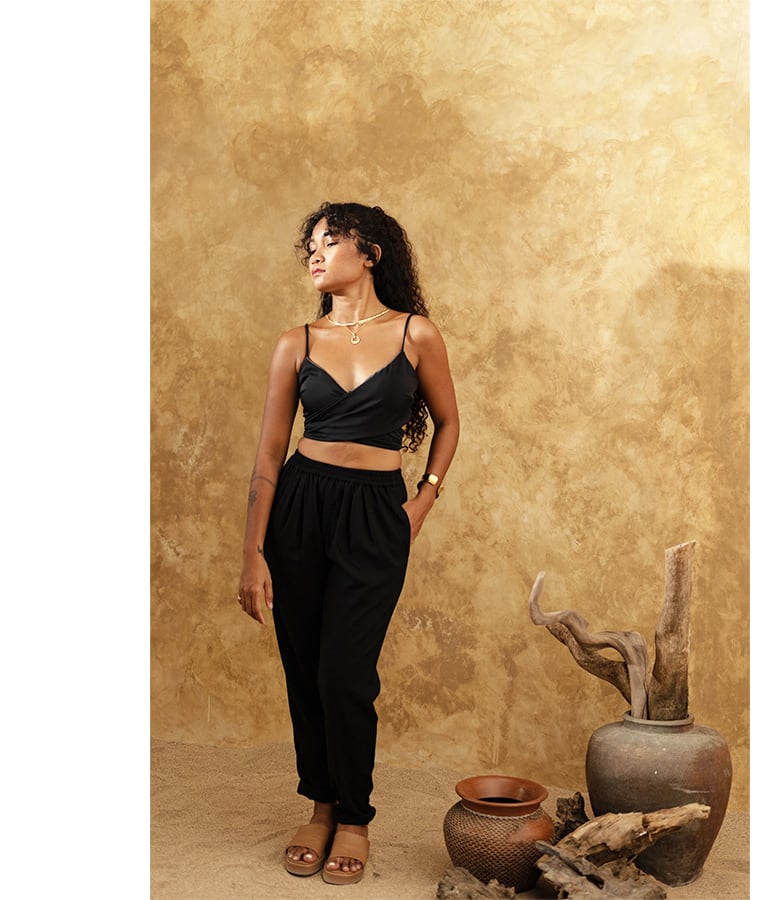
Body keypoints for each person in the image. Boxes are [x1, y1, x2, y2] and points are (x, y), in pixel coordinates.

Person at [237, 201, 460, 885]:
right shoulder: (295, 343)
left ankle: (356, 818)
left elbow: (450, 422)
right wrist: (251, 553)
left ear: (370, 254)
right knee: (305, 669)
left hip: (374, 513)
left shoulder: (416, 334)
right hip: (299, 508)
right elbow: (269, 455)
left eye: (330, 240)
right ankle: (321, 806)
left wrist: (423, 499)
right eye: (310, 243)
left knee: (345, 674)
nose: (315, 252)